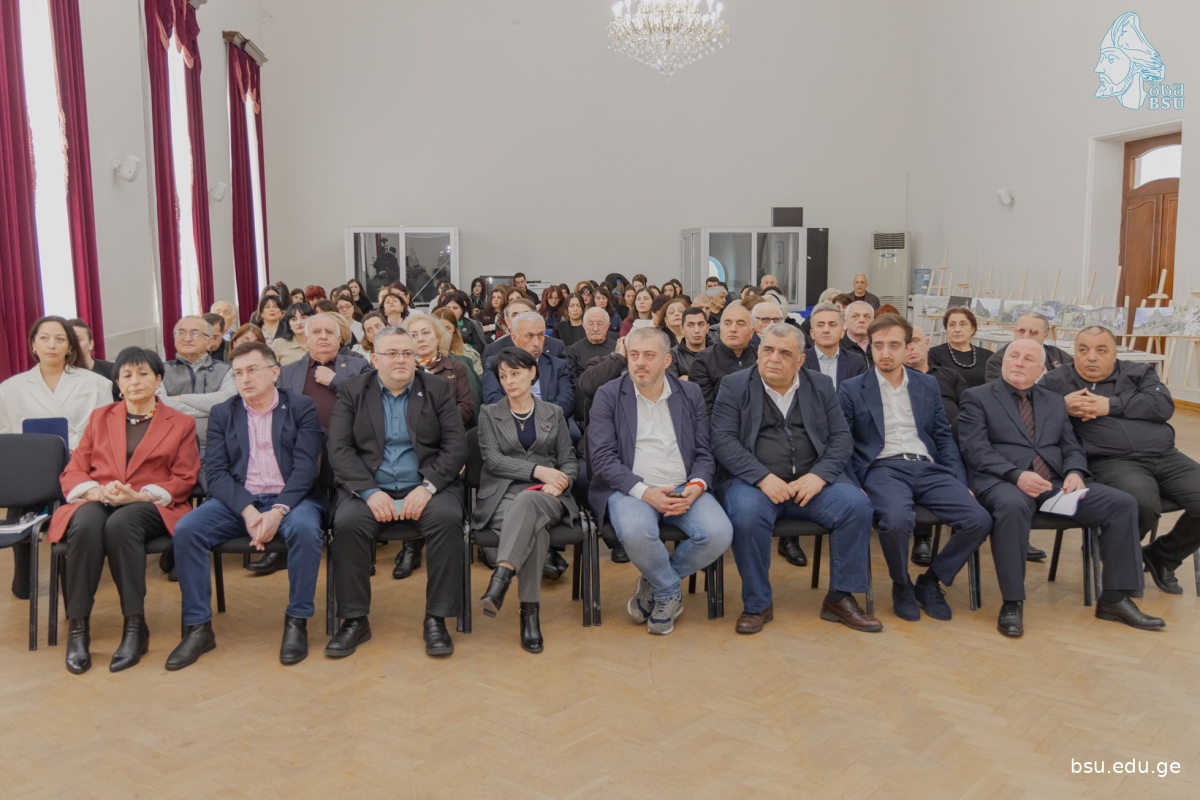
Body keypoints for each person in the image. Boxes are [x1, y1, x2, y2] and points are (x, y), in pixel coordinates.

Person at [958, 339, 1162, 636]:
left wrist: (1075, 472)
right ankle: (1012, 602)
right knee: (1012, 507)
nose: (1018, 362)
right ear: (1004, 361)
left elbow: (1071, 445)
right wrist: (1016, 474)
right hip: (1002, 480)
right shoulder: (977, 397)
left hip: (1052, 483)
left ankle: (1115, 599)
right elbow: (974, 449)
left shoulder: (1053, 401)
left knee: (1121, 503)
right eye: (1013, 356)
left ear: (1041, 370)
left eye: (1028, 359)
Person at [166, 343, 327, 669]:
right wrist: (249, 510)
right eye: (238, 373)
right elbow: (215, 473)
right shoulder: (223, 412)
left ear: (274, 372)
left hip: (291, 499)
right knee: (188, 530)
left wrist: (278, 511)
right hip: (239, 502)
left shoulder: (300, 407)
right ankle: (198, 628)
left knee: (306, 530)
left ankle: (296, 621)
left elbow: (305, 468)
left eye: (252, 370)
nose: (245, 378)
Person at [712, 324, 880, 634]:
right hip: (754, 484)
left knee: (856, 506)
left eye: (784, 353)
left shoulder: (820, 385)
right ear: (758, 353)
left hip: (811, 483)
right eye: (767, 350)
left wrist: (819, 476)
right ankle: (757, 604)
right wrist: (762, 477)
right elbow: (723, 440)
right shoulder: (734, 385)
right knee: (746, 515)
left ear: (800, 360)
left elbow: (841, 437)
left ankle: (840, 598)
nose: (773, 358)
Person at [49, 347, 199, 674]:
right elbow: (75, 469)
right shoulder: (100, 417)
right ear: (117, 382)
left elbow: (185, 478)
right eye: (127, 375)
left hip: (150, 503)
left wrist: (139, 496)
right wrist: (96, 491)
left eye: (143, 374)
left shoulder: (181, 423)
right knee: (85, 523)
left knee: (121, 524)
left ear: (158, 379)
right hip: (100, 497)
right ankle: (78, 628)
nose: (135, 381)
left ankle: (135, 626)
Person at [838, 314, 992, 622]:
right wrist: (855, 485)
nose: (885, 353)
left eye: (894, 345)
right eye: (878, 345)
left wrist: (959, 480)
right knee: (896, 521)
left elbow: (943, 437)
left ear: (908, 347)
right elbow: (843, 444)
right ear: (870, 347)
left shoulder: (927, 384)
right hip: (883, 468)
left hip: (928, 466)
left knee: (979, 519)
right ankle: (902, 584)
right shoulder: (851, 389)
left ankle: (931, 581)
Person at [326, 327, 469, 658]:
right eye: (392, 353)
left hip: (426, 486)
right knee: (347, 523)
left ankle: (437, 619)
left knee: (447, 520)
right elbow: (339, 448)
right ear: (375, 359)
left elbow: (456, 446)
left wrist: (428, 487)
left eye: (407, 353)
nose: (401, 359)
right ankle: (355, 620)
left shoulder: (436, 389)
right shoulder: (352, 391)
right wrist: (369, 492)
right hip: (370, 487)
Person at [587, 327, 733, 635]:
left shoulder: (689, 393)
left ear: (667, 360)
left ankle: (655, 582)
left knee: (719, 533)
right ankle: (667, 591)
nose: (640, 362)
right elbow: (601, 458)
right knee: (636, 532)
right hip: (630, 488)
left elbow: (705, 452)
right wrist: (644, 492)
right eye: (634, 355)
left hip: (683, 486)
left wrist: (696, 486)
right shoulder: (609, 395)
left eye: (649, 355)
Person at [1042, 326, 1200, 595]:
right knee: (1142, 505)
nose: (1091, 357)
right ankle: (1115, 554)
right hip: (1112, 461)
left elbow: (1162, 405)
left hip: (1165, 455)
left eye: (1101, 350)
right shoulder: (1056, 381)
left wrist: (1110, 405)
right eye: (1083, 350)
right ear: (1074, 353)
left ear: (1115, 353)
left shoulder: (1138, 372)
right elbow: (1029, 415)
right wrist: (1060, 406)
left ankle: (1162, 556)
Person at [0, 317, 115, 600]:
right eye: (44, 338)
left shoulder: (97, 383)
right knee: (20, 506)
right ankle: (24, 577)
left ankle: (73, 582)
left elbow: (107, 433)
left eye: (60, 339)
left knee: (74, 513)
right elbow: (5, 438)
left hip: (81, 467)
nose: (52, 344)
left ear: (70, 347)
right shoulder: (10, 388)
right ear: (33, 345)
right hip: (32, 471)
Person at [475, 348, 579, 653]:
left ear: (533, 373)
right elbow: (493, 460)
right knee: (534, 529)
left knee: (528, 504)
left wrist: (563, 481)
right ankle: (528, 614)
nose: (509, 381)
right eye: (503, 376)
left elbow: (568, 460)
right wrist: (538, 471)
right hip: (501, 495)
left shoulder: (553, 412)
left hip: (547, 495)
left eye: (515, 373)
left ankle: (501, 577)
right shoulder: (489, 413)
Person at [277, 314, 371, 430]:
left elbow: (370, 399)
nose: (323, 337)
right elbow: (280, 414)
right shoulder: (287, 372)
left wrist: (336, 381)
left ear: (339, 339)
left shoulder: (359, 365)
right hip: (304, 438)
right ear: (306, 340)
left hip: (349, 437)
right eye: (316, 332)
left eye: (329, 332)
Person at [159, 316, 237, 452]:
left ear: (209, 341)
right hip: (171, 448)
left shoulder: (225, 370)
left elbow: (228, 402)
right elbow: (159, 406)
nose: (187, 338)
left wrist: (179, 399)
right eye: (181, 333)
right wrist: (210, 408)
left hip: (218, 447)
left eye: (195, 333)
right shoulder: (160, 371)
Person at [483, 312, 575, 423]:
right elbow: (492, 399)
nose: (536, 343)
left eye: (540, 335)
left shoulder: (557, 365)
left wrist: (539, 419)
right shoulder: (496, 364)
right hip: (509, 425)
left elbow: (566, 402)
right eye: (529, 336)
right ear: (515, 338)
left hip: (550, 424)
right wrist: (523, 418)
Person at [405, 313, 475, 427]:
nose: (420, 339)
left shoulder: (457, 367)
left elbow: (466, 407)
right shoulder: (405, 370)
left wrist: (438, 424)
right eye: (413, 335)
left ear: (437, 337)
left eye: (426, 332)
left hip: (452, 430)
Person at [690, 303, 757, 412]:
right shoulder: (703, 361)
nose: (733, 329)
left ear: (751, 332)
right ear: (720, 328)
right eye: (727, 323)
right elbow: (704, 409)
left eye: (741, 324)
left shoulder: (760, 358)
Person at [904, 326, 967, 436]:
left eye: (915, 340)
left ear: (927, 344)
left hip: (956, 435)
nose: (911, 347)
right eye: (905, 343)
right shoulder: (895, 380)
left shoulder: (950, 375)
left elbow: (969, 408)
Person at [984, 312, 1073, 382]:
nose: (1026, 336)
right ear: (1015, 331)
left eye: (1033, 332)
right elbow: (996, 393)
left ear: (1045, 336)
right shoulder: (997, 360)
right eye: (1021, 330)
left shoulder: (1061, 357)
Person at [802, 303, 867, 388]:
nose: (826, 330)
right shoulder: (800, 361)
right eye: (820, 325)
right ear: (812, 333)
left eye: (832, 325)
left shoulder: (856, 361)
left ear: (842, 332)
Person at [482, 300, 567, 361]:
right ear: (508, 322)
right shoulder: (493, 351)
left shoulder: (556, 347)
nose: (521, 319)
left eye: (526, 315)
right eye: (515, 315)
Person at [928, 307, 991, 388]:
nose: (957, 329)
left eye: (963, 324)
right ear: (946, 329)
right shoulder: (933, 354)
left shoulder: (988, 356)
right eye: (952, 325)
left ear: (973, 329)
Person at [432, 307, 485, 380]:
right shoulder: (425, 356)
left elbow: (477, 382)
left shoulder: (469, 355)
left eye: (447, 328)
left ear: (454, 328)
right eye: (439, 329)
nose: (443, 333)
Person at [567, 307, 618, 382]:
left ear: (608, 326)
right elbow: (572, 381)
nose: (595, 329)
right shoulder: (574, 350)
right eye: (591, 324)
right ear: (584, 326)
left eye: (600, 324)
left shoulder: (617, 348)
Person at [436, 290, 487, 355]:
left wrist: (466, 347)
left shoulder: (471, 324)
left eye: (455, 308)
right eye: (448, 308)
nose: (451, 311)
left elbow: (479, 346)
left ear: (462, 310)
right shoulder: (436, 324)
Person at [68, 318, 115, 387]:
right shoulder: (60, 375)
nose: (74, 344)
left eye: (78, 339)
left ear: (91, 344)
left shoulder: (113, 370)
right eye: (69, 340)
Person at [667, 307, 711, 381]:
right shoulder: (673, 355)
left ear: (707, 328)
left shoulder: (718, 352)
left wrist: (690, 379)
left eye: (701, 324)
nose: (697, 330)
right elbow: (673, 384)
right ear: (682, 329)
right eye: (690, 325)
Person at [842, 301, 875, 365]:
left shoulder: (880, 346)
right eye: (855, 316)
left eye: (866, 316)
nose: (862, 320)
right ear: (845, 322)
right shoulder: (837, 348)